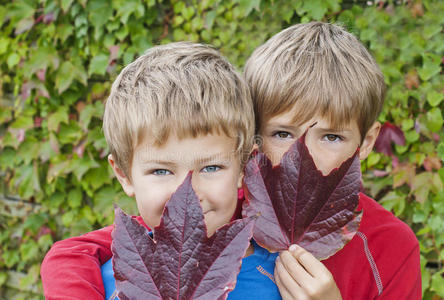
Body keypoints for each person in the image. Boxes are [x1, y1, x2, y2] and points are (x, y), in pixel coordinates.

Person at [40, 42, 280, 299]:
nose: (187, 195)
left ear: (245, 166)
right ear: (124, 175)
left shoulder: (285, 278)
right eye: (161, 171)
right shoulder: (104, 284)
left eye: (211, 167)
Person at [243, 22, 421, 299]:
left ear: (367, 142)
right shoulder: (218, 215)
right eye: (282, 134)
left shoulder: (391, 247)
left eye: (331, 137)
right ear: (254, 135)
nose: (305, 159)